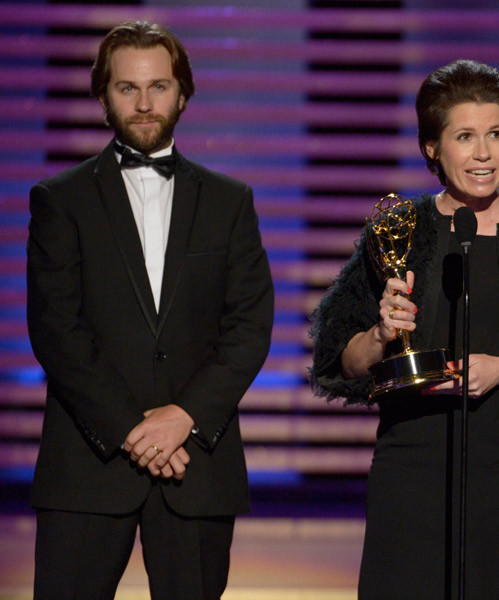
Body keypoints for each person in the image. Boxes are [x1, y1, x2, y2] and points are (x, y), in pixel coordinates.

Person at [311, 59, 499, 599]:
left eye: (495, 134)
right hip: (412, 470)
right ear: (433, 147)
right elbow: (343, 362)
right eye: (465, 137)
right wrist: (380, 334)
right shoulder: (398, 230)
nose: (483, 154)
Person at [26, 21, 273, 600]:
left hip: (196, 465)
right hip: (86, 467)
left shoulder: (230, 201)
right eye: (127, 88)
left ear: (183, 94)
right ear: (103, 95)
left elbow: (249, 326)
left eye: (158, 86)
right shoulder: (59, 200)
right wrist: (136, 433)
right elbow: (57, 331)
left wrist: (184, 417)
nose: (143, 104)